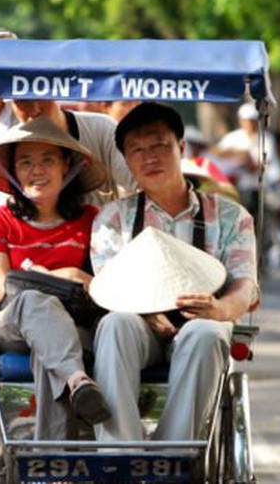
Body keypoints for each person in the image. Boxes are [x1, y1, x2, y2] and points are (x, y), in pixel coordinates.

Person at [89, 102, 259, 442]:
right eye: (137, 150)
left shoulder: (230, 215)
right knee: (114, 324)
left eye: (159, 145)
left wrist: (220, 310)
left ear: (181, 148)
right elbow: (108, 289)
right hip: (139, 325)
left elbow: (246, 285)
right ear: (126, 160)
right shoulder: (112, 219)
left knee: (206, 333)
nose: (149, 157)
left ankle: (175, 459)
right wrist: (147, 313)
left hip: (203, 320)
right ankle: (121, 459)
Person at [0, 117, 112, 440]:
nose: (36, 170)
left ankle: (54, 462)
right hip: (13, 321)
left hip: (73, 329)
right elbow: (1, 286)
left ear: (66, 167)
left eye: (47, 160)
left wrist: (55, 276)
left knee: (48, 351)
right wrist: (68, 276)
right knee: (34, 301)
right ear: (13, 172)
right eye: (26, 162)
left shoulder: (91, 220)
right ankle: (77, 381)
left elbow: (104, 284)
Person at [10, 99, 137, 200]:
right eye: (23, 101)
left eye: (41, 98)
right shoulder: (7, 143)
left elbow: (135, 186)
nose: (35, 109)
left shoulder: (101, 128)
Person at [215, 102, 280, 213]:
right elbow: (217, 153)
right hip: (237, 187)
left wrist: (249, 162)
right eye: (246, 121)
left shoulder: (266, 138)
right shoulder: (232, 138)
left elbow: (265, 163)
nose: (249, 124)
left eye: (252, 121)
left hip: (260, 188)